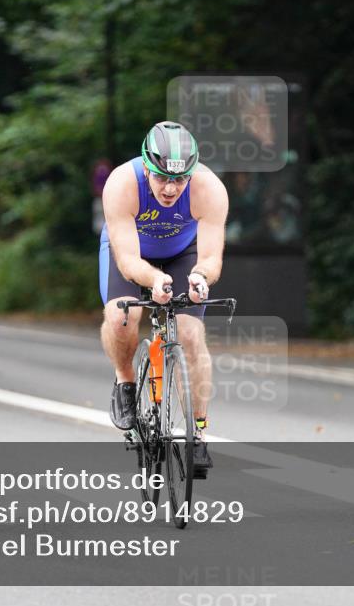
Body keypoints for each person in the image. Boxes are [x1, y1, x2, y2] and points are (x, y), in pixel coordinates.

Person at [99, 121, 228, 477]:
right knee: (121, 319)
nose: (170, 189)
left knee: (190, 335)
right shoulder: (122, 184)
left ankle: (198, 432)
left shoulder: (209, 188)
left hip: (182, 253)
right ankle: (125, 378)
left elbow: (211, 255)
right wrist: (154, 278)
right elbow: (126, 261)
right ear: (146, 166)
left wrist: (201, 277)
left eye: (179, 180)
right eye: (161, 178)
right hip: (131, 253)